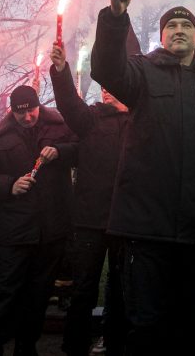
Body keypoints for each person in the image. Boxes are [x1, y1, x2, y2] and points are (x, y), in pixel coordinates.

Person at [90, 0, 195, 355]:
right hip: (148, 232)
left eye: (186, 25)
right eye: (171, 26)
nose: (178, 30)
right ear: (162, 37)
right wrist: (115, 16)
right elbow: (107, 70)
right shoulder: (141, 73)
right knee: (147, 329)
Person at [0, 85, 76, 356]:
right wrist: (9, 185)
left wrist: (61, 151)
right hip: (15, 228)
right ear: (12, 111)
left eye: (31, 110)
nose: (27, 117)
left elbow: (81, 149)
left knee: (39, 294)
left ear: (38, 106)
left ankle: (26, 347)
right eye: (21, 113)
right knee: (4, 291)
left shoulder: (60, 126)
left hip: (51, 227)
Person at [50, 42, 130, 356]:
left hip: (126, 219)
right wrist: (60, 72)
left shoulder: (139, 120)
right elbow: (69, 104)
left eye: (113, 87)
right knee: (84, 286)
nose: (107, 91)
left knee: (122, 286)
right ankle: (74, 344)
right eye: (103, 87)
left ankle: (115, 341)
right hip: (89, 219)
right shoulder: (90, 119)